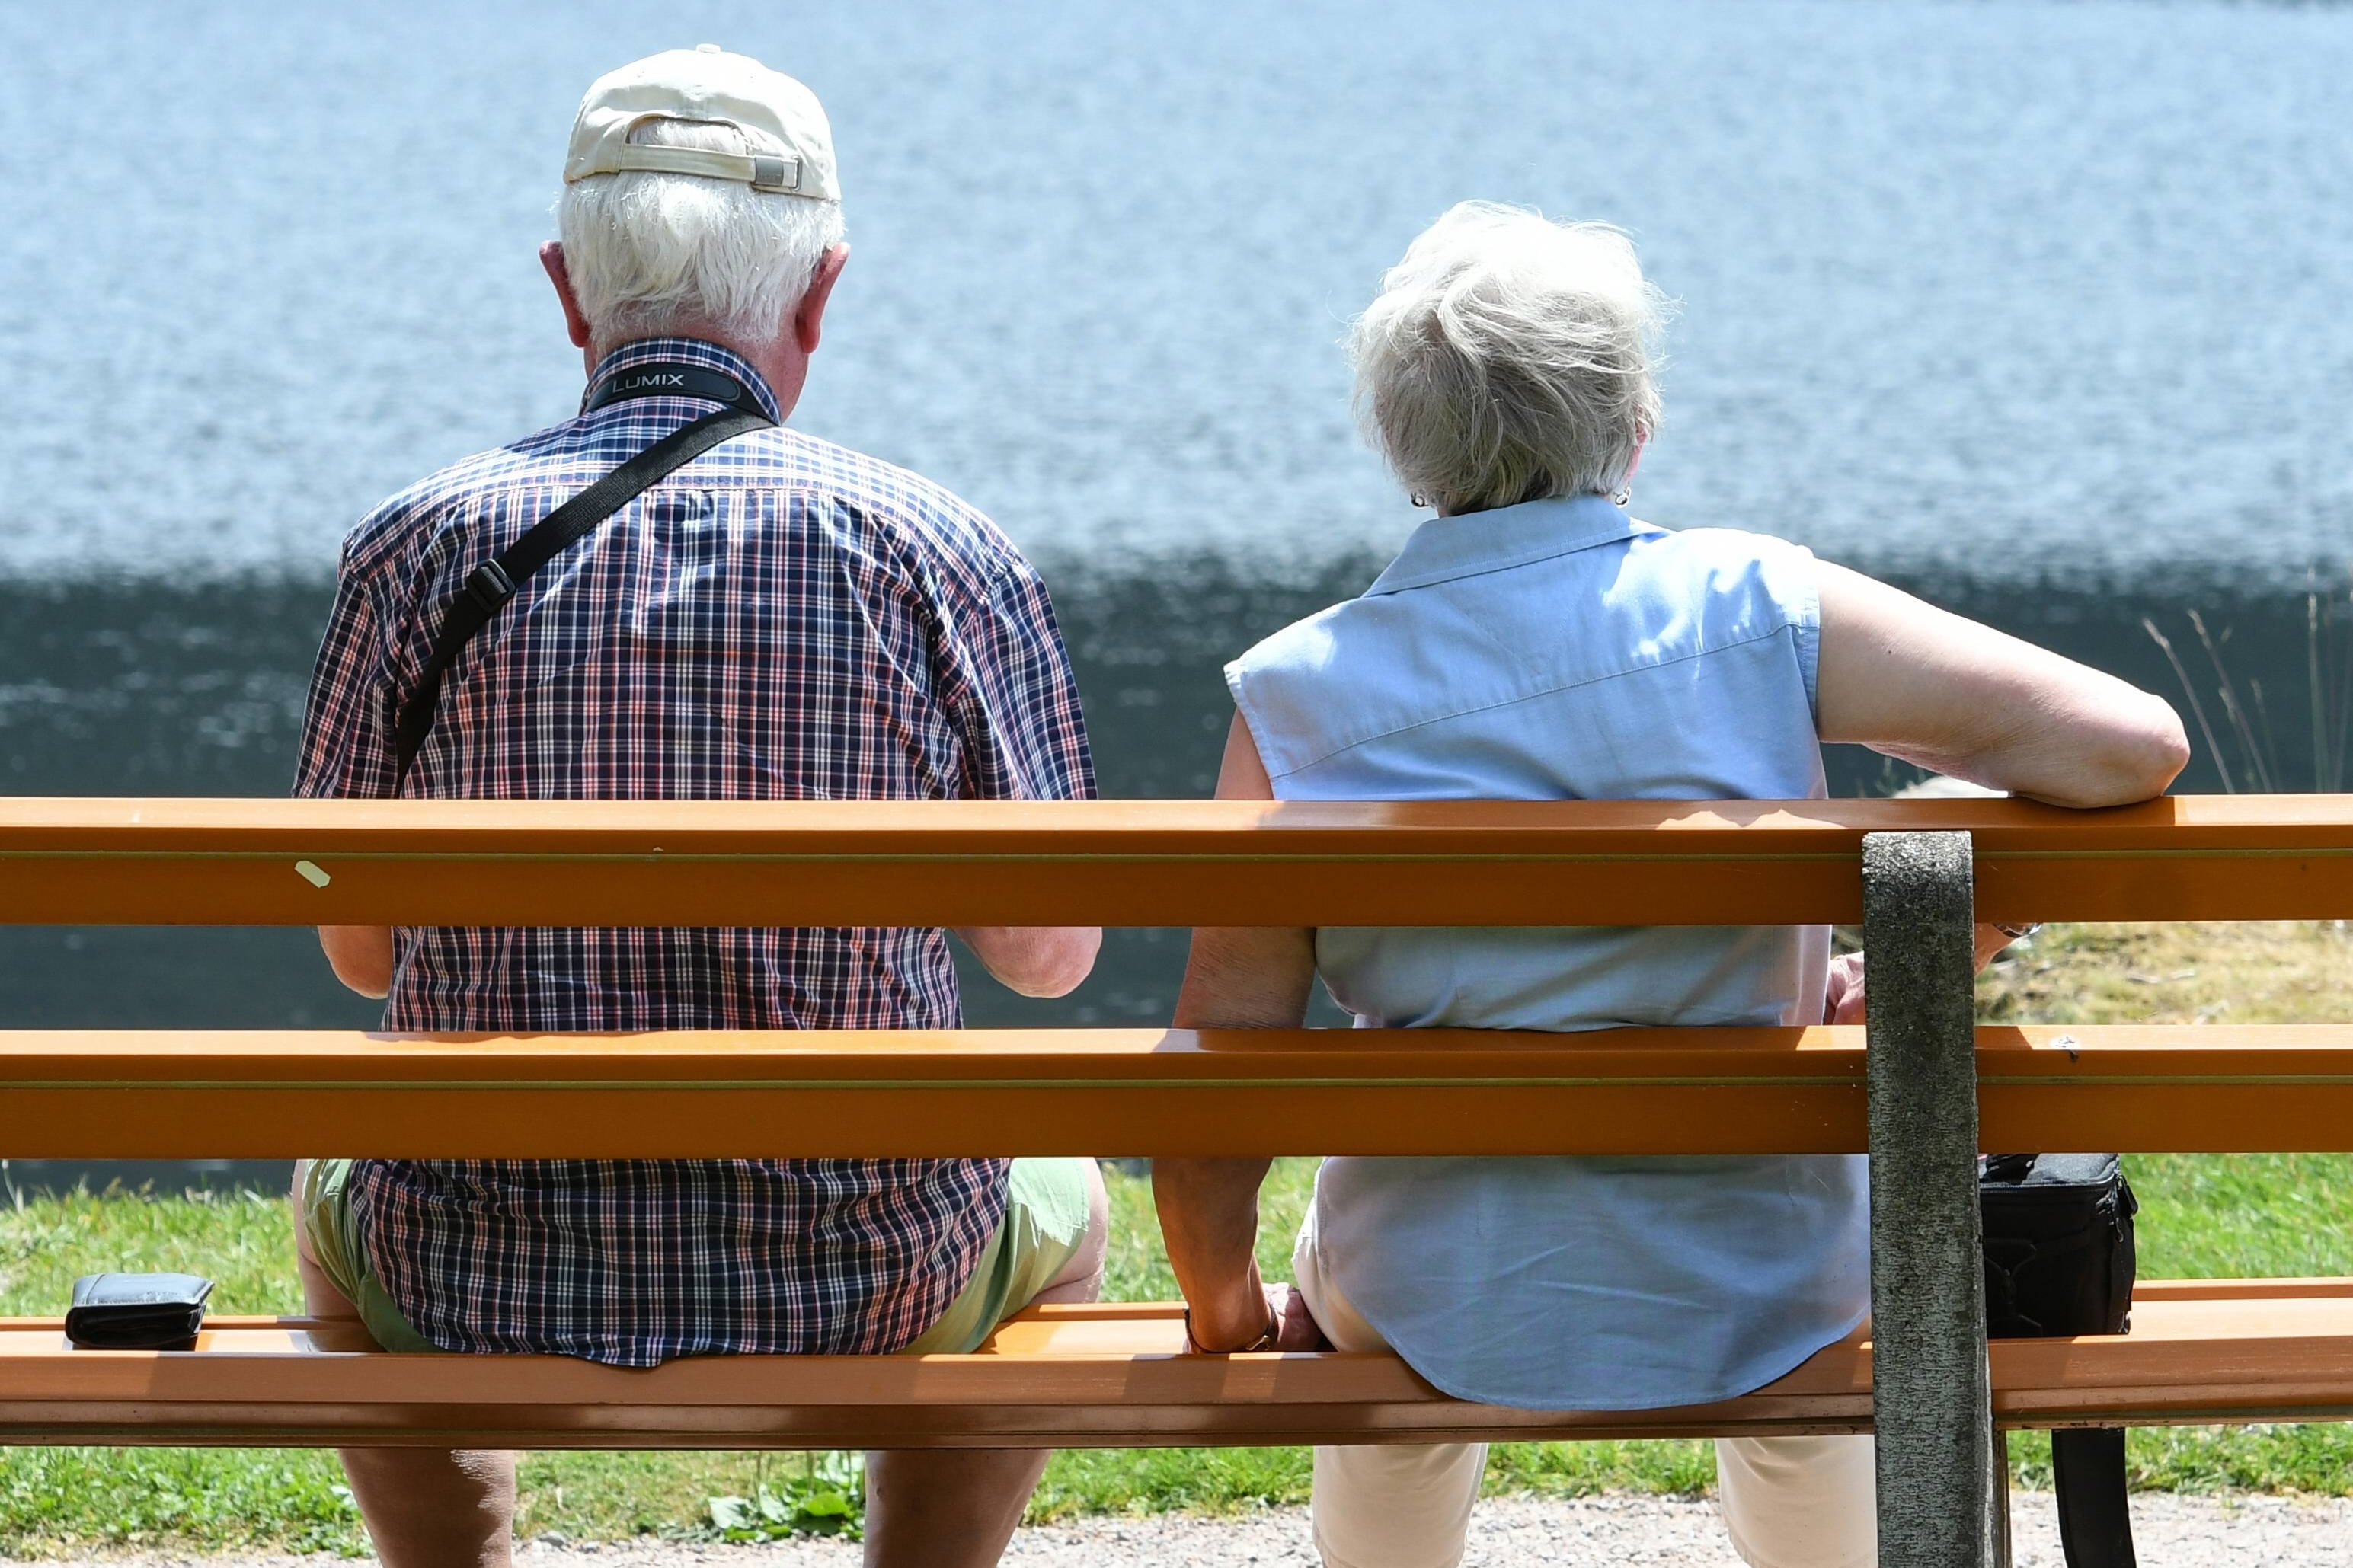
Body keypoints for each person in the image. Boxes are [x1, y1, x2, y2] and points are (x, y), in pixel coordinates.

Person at [1152, 201, 2189, 1568]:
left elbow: (1222, 1079)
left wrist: (1222, 1313)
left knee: (1374, 1290)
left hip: (1437, 1288)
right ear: (1630, 425)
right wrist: (1958, 919)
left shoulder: (1298, 690)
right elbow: (2126, 748)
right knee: (1806, 1322)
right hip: (1770, 1278)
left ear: (1404, 442)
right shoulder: (1756, 609)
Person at [290, 47, 1105, 1568]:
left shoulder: (410, 547)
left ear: (565, 290)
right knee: (1066, 1197)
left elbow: (361, 956)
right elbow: (1049, 957)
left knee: (333, 1185)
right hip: (870, 1272)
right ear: (819, 294)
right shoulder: (938, 550)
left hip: (473, 1267)